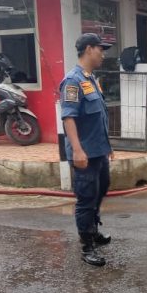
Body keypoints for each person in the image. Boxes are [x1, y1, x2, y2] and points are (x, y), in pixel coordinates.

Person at [60, 33, 115, 266]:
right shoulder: (72, 81)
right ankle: (87, 245)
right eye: (100, 49)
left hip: (99, 151)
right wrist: (77, 151)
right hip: (85, 154)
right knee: (85, 199)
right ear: (89, 49)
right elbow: (69, 118)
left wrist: (108, 147)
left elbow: (99, 118)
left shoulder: (90, 79)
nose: (102, 54)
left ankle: (93, 229)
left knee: (102, 189)